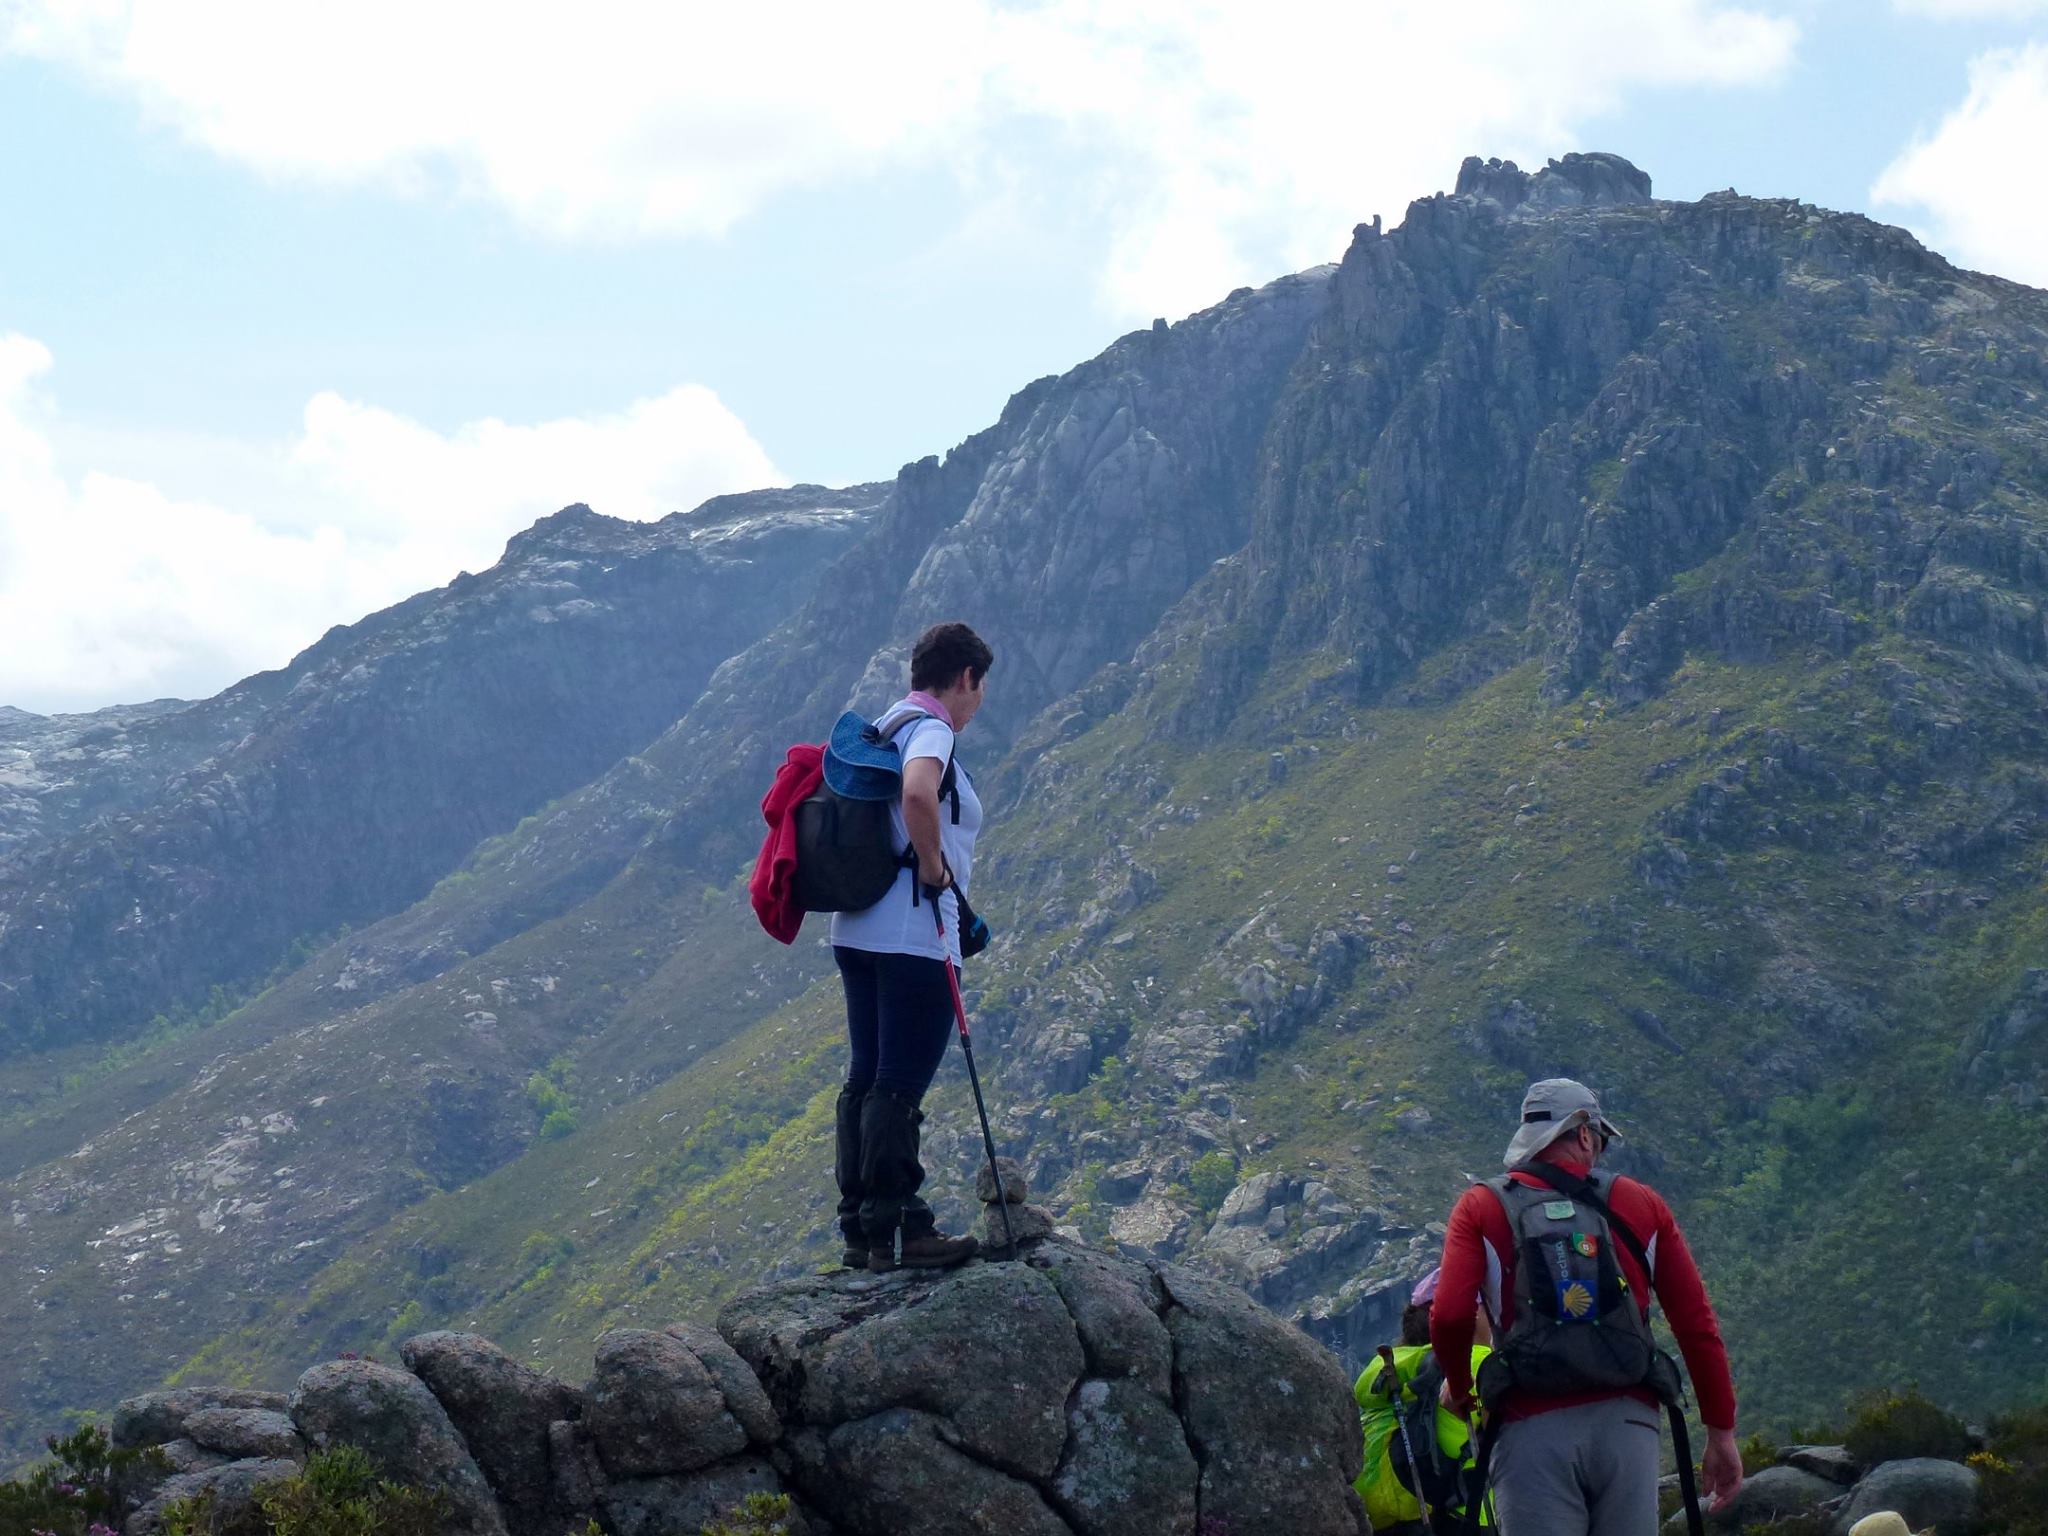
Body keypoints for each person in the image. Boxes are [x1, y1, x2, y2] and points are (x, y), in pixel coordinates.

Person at [1430, 1078, 1744, 1535]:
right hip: (1629, 1425)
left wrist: (1461, 1389)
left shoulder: (1481, 1207)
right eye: (1600, 1140)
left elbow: (1450, 1316)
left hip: (1529, 1428)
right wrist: (1720, 1430)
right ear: (1583, 1133)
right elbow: (1695, 1325)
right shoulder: (1641, 1203)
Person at [828, 621, 994, 1272]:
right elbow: (920, 792)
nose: (978, 701)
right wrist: (932, 866)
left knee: (865, 1078)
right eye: (980, 687)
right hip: (913, 935)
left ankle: (862, 1231)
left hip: (856, 927)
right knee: (897, 1084)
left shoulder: (883, 726)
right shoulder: (932, 731)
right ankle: (901, 1229)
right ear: (966, 678)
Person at [1355, 1267, 1494, 1533]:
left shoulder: (1391, 1372)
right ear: (1473, 1314)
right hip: (1472, 1518)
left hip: (1403, 1520)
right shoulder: (1477, 1362)